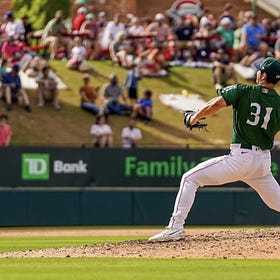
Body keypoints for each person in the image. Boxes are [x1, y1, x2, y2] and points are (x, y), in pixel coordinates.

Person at [149, 57, 280, 242]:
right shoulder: (278, 103)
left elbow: (216, 104)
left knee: (190, 178)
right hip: (263, 162)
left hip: (241, 157)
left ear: (263, 75)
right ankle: (174, 228)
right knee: (277, 202)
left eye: (259, 70)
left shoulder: (244, 90)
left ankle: (175, 227)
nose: (257, 72)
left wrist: (193, 118)